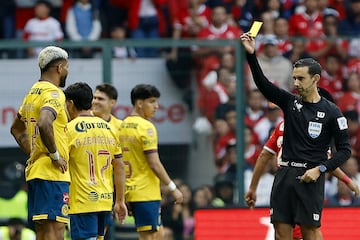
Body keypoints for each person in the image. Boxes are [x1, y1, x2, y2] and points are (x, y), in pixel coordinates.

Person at [240, 32, 351, 240]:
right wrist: (251, 55)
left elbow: (345, 151)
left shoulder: (332, 112)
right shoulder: (290, 103)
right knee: (281, 234)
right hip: (284, 177)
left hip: (311, 178)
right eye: (294, 78)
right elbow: (263, 84)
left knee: (310, 233)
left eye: (301, 78)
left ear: (315, 79)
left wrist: (321, 169)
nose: (296, 83)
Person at [245, 118, 360, 239]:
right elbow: (325, 162)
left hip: (282, 183)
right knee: (311, 231)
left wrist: (252, 188)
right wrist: (347, 181)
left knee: (282, 232)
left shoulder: (281, 126)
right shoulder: (314, 128)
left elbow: (264, 155)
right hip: (305, 184)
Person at [10, 46, 70, 239]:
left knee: (43, 231)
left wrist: (34, 151)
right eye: (67, 67)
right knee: (56, 229)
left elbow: (16, 128)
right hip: (52, 173)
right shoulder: (54, 93)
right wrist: (54, 156)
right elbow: (45, 122)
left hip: (36, 170)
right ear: (59, 68)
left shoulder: (32, 93)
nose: (67, 71)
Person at [119, 84, 183, 240]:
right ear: (139, 103)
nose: (157, 106)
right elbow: (154, 163)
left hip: (129, 189)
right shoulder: (147, 128)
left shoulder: (122, 126)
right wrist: (172, 187)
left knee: (158, 233)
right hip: (145, 192)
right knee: (148, 236)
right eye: (152, 101)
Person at [64, 82, 127, 239]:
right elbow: (119, 166)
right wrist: (120, 201)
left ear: (70, 104)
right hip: (105, 201)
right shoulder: (110, 129)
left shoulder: (69, 130)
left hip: (82, 202)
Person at [91, 83, 123, 238]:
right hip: (84, 187)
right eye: (94, 97)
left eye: (100, 99)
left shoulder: (120, 127)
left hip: (108, 189)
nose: (95, 101)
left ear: (112, 102)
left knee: (101, 234)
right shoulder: (82, 121)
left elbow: (122, 164)